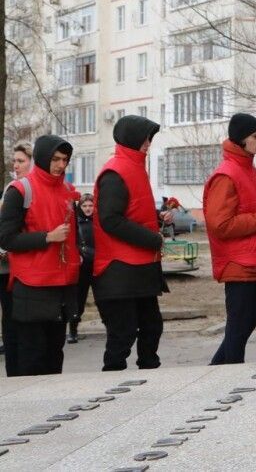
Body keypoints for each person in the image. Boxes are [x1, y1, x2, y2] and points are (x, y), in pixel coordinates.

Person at [92, 116, 171, 371]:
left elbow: (133, 212)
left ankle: (150, 375)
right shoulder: (115, 172)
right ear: (132, 138)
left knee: (152, 327)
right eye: (146, 138)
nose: (148, 143)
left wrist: (157, 218)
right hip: (119, 269)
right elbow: (110, 220)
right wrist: (152, 238)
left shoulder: (136, 167)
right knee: (123, 334)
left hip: (141, 266)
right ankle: (112, 381)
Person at [204, 113, 256, 365]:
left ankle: (214, 373)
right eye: (255, 137)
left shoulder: (249, 170)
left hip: (253, 260)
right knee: (238, 328)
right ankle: (230, 379)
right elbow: (219, 225)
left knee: (245, 324)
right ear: (241, 139)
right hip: (238, 264)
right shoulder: (226, 175)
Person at [0, 135, 80, 376]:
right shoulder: (20, 189)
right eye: (55, 159)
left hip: (62, 284)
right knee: (31, 359)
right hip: (32, 285)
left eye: (64, 160)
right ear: (43, 157)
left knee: (55, 357)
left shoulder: (67, 189)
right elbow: (6, 239)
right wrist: (46, 237)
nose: (60, 165)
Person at [1, 143, 33, 374]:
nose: (16, 165)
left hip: (26, 267)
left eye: (21, 161)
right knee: (11, 323)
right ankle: (15, 373)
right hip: (6, 269)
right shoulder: (10, 190)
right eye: (15, 161)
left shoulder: (32, 190)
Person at [68, 193, 95, 344]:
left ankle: (111, 327)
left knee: (104, 299)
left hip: (97, 264)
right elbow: (74, 242)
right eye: (84, 206)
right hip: (82, 265)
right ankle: (73, 329)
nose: (88, 209)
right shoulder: (76, 223)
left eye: (90, 206)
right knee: (79, 299)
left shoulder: (99, 222)